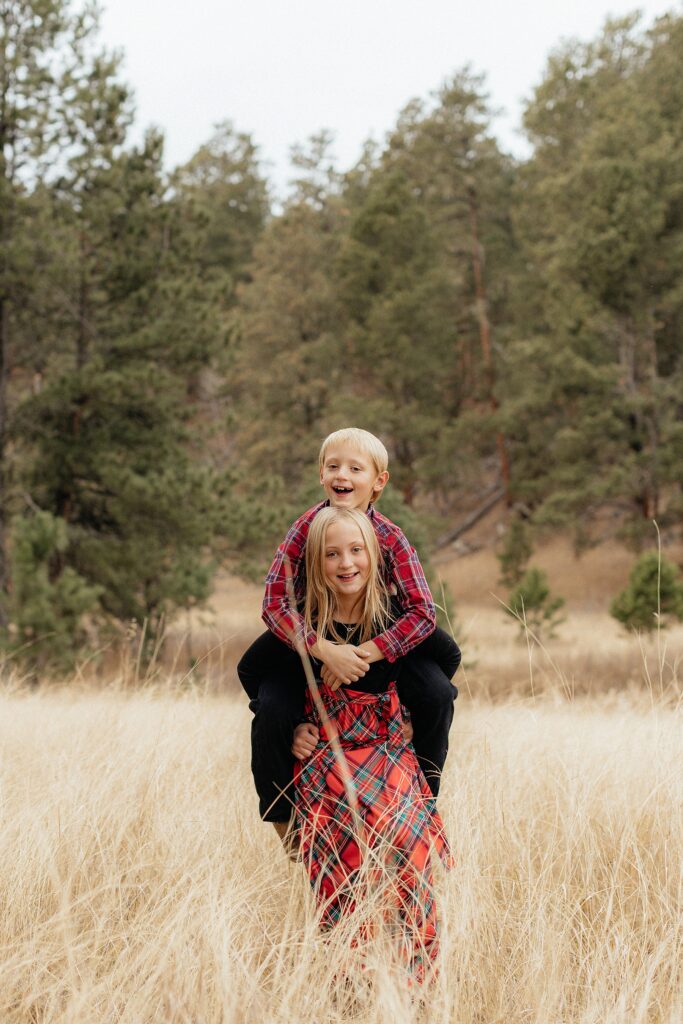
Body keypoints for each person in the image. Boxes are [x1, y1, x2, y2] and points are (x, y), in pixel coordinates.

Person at [237, 427, 461, 845]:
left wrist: (364, 654)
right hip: (310, 635)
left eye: (355, 468)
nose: (343, 473)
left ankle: (425, 799)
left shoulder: (390, 536)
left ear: (378, 481)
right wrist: (325, 654)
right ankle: (285, 822)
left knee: (437, 692)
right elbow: (274, 604)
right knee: (270, 708)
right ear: (322, 475)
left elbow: (422, 612)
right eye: (334, 465)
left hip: (374, 631)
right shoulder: (306, 529)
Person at [292, 506, 453, 982]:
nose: (346, 563)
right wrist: (286, 729)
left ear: (375, 557)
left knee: (410, 855)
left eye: (357, 550)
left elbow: (447, 660)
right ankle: (351, 987)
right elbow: (253, 674)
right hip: (326, 758)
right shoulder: (305, 624)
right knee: (345, 875)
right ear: (315, 565)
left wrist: (410, 709)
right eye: (332, 554)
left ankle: (418, 984)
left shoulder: (393, 619)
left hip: (387, 751)